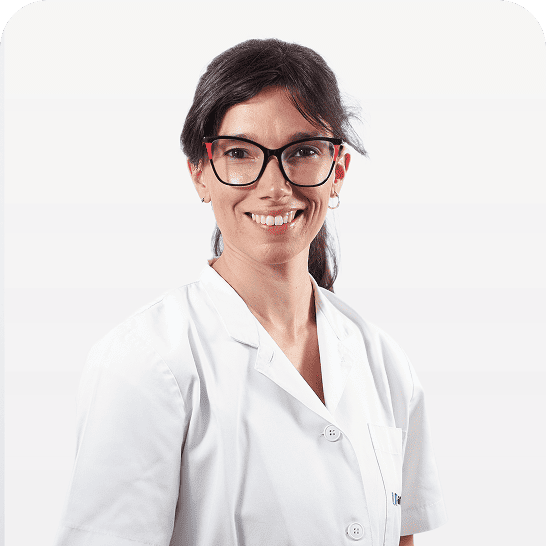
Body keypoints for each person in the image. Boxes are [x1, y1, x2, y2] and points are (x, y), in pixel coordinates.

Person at [53, 38, 447, 546]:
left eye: (303, 152)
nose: (275, 186)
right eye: (240, 153)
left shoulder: (385, 363)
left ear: (337, 172)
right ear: (199, 173)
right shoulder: (146, 362)